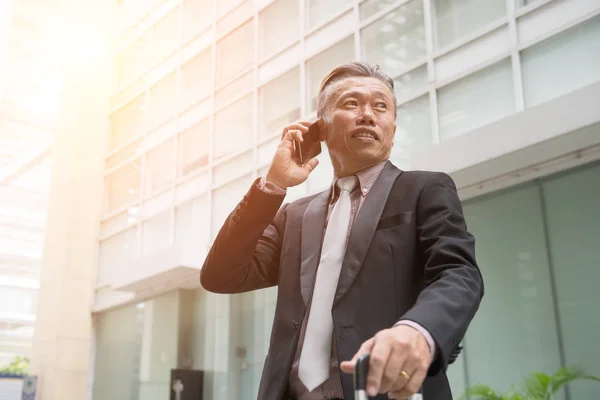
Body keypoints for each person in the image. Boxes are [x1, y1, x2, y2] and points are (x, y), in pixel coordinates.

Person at [200, 61, 484, 400]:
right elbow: (221, 275)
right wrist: (273, 185)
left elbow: (457, 272)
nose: (368, 115)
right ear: (319, 129)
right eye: (352, 103)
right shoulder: (295, 215)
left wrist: (418, 330)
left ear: (392, 129)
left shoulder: (424, 189)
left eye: (381, 106)